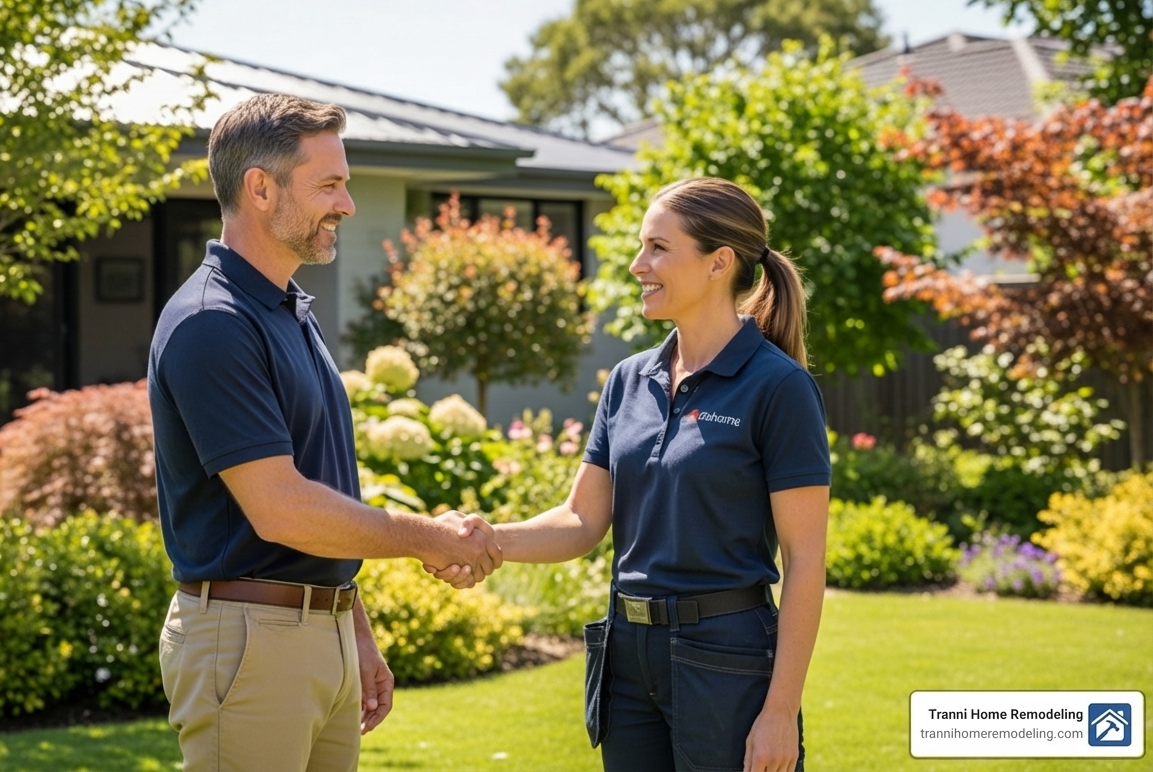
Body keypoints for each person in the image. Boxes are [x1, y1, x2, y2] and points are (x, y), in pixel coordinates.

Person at [149, 92, 501, 772]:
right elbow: (281, 508)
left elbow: (321, 486)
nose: (347, 205)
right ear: (260, 188)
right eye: (330, 185)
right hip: (251, 645)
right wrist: (430, 538)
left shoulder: (288, 312)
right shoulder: (212, 323)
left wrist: (352, 627)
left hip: (318, 631)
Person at [436, 177, 830, 772]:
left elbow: (805, 560)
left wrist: (780, 711)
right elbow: (581, 519)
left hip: (724, 657)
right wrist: (488, 538)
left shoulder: (778, 387)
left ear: (719, 262)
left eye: (658, 248)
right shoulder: (629, 379)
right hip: (626, 653)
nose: (636, 263)